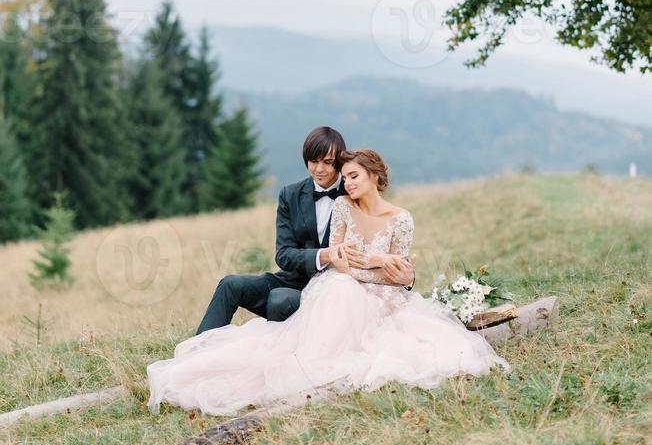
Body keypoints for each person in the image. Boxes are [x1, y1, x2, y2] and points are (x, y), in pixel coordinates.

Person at [148, 149, 510, 417]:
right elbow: (339, 262)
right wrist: (377, 262)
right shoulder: (341, 208)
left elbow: (398, 272)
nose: (347, 183)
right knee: (337, 289)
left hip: (384, 297)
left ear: (374, 177)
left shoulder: (402, 219)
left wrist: (402, 274)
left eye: (354, 176)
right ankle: (202, 355)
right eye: (346, 176)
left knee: (401, 333)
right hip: (336, 285)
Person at [195, 126, 415, 333]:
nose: (319, 169)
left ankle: (284, 356)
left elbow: (382, 238)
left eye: (328, 162)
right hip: (293, 278)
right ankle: (198, 350)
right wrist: (325, 254)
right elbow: (284, 254)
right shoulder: (289, 195)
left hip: (340, 287)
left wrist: (406, 277)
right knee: (230, 285)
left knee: (280, 300)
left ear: (339, 162)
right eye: (313, 161)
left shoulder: (352, 193)